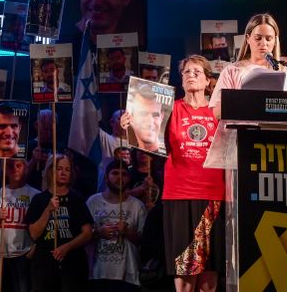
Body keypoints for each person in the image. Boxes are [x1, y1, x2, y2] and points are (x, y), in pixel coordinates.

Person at [157, 55, 225, 292]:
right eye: (186, 72)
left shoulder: (218, 112)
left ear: (208, 80)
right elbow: (146, 136)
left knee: (208, 276)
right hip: (179, 195)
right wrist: (130, 124)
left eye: (197, 71)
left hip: (214, 195)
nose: (191, 75)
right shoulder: (170, 109)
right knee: (185, 270)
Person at [209, 13, 287, 119]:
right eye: (258, 38)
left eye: (268, 39)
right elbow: (217, 112)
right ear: (248, 38)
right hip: (242, 132)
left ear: (275, 41)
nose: (263, 43)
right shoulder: (232, 71)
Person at [25, 153, 93, 292]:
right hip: (44, 263)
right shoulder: (39, 199)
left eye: (67, 170)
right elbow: (33, 234)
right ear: (50, 171)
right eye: (59, 168)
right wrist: (48, 210)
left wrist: (66, 247)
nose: (63, 173)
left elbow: (87, 233)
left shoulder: (77, 199)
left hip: (72, 262)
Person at [87, 160, 147, 292]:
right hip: (98, 273)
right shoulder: (93, 202)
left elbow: (144, 241)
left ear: (129, 178)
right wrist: (98, 233)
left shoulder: (137, 206)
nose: (119, 178)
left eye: (124, 174)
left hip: (128, 276)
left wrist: (127, 232)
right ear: (106, 177)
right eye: (115, 173)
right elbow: (82, 236)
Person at [0, 159, 39, 292]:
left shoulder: (35, 195)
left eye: (19, 165)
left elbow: (41, 228)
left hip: (22, 255)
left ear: (25, 168)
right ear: (4, 169)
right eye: (10, 166)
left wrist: (32, 251)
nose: (14, 168)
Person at [120, 82, 167, 155]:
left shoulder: (171, 154)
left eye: (155, 115)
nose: (149, 122)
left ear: (162, 117)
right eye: (143, 114)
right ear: (131, 116)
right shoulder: (130, 154)